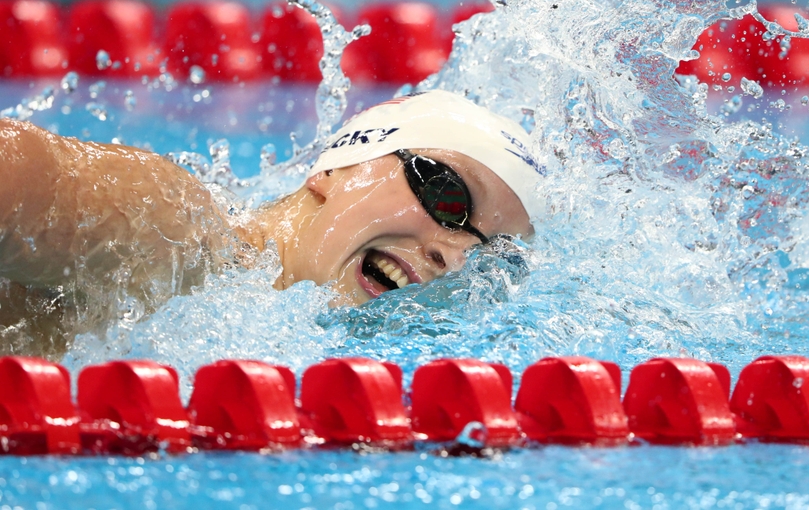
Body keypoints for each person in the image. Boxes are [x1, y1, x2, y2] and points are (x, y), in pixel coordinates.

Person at [0, 90, 542, 355]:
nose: (455, 255)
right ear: (335, 169)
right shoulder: (176, 232)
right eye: (448, 197)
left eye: (493, 255)